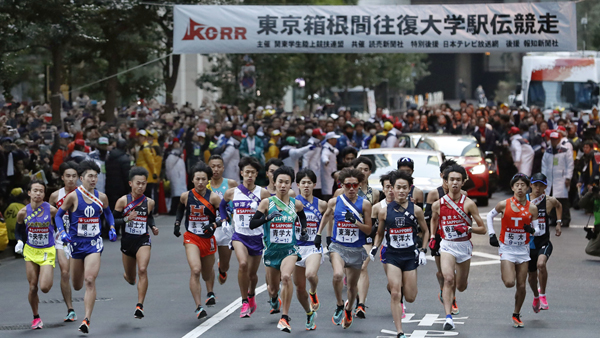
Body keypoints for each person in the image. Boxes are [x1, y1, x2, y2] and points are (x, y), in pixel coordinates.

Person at [54, 160, 118, 333]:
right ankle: (81, 309)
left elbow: (108, 213)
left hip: (93, 244)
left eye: (96, 176)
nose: (93, 179)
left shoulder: (101, 197)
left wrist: (111, 227)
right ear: (82, 178)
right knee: (76, 285)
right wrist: (62, 232)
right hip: (76, 245)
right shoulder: (73, 196)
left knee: (90, 280)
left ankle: (86, 319)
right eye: (90, 176)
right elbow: (58, 216)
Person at [250, 166, 312, 332]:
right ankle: (274, 298)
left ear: (291, 184)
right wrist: (268, 217)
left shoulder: (295, 204)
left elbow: (302, 217)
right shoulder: (266, 203)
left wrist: (304, 230)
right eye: (280, 182)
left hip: (289, 250)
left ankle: (284, 317)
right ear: (274, 183)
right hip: (271, 251)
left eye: (287, 182)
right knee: (272, 289)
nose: (283, 185)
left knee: (286, 277)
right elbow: (252, 224)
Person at [371, 171, 429, 338]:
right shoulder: (384, 211)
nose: (401, 191)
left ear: (409, 189)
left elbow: (425, 231)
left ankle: (403, 285)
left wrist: (423, 251)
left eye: (405, 188)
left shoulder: (416, 210)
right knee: (395, 293)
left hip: (410, 256)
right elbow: (380, 233)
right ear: (392, 189)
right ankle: (400, 331)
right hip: (392, 256)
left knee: (410, 296)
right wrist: (375, 247)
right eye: (398, 187)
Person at [430, 164, 487, 330]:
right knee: (448, 279)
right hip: (447, 245)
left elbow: (482, 229)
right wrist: (433, 237)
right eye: (451, 180)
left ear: (463, 182)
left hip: (464, 246)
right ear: (446, 182)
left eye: (458, 180)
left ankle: (458, 285)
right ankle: (448, 318)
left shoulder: (469, 204)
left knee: (461, 286)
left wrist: (467, 229)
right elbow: (434, 219)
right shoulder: (438, 204)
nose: (454, 183)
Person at [318, 168, 372, 329]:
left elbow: (369, 230)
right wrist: (319, 234)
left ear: (359, 185)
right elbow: (327, 215)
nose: (351, 188)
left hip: (356, 249)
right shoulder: (335, 201)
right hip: (338, 246)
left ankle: (349, 309)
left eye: (355, 185)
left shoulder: (365, 204)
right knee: (337, 275)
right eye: (347, 185)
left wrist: (355, 222)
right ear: (342, 185)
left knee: (353, 286)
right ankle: (339, 304)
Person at [487, 173, 541, 328]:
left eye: (523, 185)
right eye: (516, 185)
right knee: (510, 282)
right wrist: (492, 235)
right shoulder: (503, 204)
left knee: (522, 286)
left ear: (528, 187)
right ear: (512, 187)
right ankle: (505, 271)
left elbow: (538, 230)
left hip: (523, 250)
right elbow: (489, 217)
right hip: (507, 248)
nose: (520, 188)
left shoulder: (532, 208)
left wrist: (531, 230)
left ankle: (516, 314)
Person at [219, 157, 271, 318]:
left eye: (253, 173)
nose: (249, 175)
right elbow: (222, 204)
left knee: (252, 275)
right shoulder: (232, 192)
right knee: (242, 264)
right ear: (241, 173)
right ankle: (244, 302)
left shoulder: (263, 193)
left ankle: (251, 294)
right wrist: (224, 219)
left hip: (256, 237)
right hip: (239, 235)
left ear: (256, 175)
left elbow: (268, 214)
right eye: (247, 172)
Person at [173, 163, 222, 319]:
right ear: (192, 180)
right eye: (197, 179)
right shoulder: (186, 196)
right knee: (195, 270)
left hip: (207, 238)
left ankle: (210, 292)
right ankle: (198, 306)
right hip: (191, 237)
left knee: (207, 273)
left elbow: (224, 216)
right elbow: (180, 208)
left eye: (203, 179)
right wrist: (177, 223)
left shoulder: (214, 197)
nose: (200, 182)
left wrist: (214, 224)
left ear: (207, 180)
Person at [114, 167, 159, 319]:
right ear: (131, 184)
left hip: (143, 240)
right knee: (131, 277)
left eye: (144, 183)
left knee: (143, 269)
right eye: (138, 183)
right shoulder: (123, 201)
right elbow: (112, 221)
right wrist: (127, 219)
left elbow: (149, 217)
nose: (140, 186)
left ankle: (140, 306)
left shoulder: (149, 202)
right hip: (127, 242)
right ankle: (128, 276)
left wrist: (152, 226)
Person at [14, 179, 59, 329]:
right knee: (33, 287)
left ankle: (45, 273)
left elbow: (61, 223)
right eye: (35, 191)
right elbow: (18, 231)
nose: (38, 194)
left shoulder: (51, 210)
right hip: (31, 251)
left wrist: (62, 235)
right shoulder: (22, 212)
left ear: (44, 194)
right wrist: (19, 241)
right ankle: (36, 317)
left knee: (45, 287)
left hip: (47, 250)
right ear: (29, 193)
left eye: (41, 191)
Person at [527, 173, 562, 313]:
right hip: (529, 244)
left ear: (545, 187)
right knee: (531, 276)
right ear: (530, 185)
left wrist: (559, 223)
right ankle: (536, 295)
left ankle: (543, 295)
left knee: (541, 264)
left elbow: (559, 206)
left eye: (541, 185)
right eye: (535, 185)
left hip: (544, 241)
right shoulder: (525, 200)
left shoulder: (549, 201)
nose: (537, 188)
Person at [48, 161, 78, 322]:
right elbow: (48, 214)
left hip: (80, 239)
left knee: (77, 275)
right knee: (65, 273)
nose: (71, 179)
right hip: (61, 239)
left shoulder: (83, 193)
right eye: (68, 176)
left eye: (74, 176)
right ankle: (70, 308)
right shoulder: (55, 196)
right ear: (62, 177)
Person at [295, 169, 328, 315]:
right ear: (298, 185)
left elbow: (328, 218)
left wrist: (324, 235)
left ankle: (313, 291)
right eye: (303, 183)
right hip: (296, 248)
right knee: (299, 287)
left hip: (313, 247)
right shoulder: (292, 203)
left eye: (309, 182)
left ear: (314, 184)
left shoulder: (321, 204)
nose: (306, 186)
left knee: (310, 275)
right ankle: (308, 312)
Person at [206, 155, 238, 285]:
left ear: (223, 168)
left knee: (225, 264)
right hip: (209, 228)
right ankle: (210, 292)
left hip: (225, 228)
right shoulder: (204, 184)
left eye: (219, 166)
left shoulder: (231, 184)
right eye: (212, 166)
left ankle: (222, 269)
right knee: (207, 263)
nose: (216, 169)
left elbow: (237, 204)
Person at [541, 131, 573, 227]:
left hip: (561, 179)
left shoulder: (565, 150)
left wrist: (568, 177)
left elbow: (570, 165)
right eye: (552, 140)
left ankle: (565, 219)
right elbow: (544, 166)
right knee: (551, 199)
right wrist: (543, 178)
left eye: (555, 139)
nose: (554, 141)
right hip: (550, 179)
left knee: (562, 200)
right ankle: (553, 218)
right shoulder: (548, 151)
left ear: (559, 139)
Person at [105, 139, 131, 211]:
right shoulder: (125, 159)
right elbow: (126, 175)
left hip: (109, 185)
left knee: (111, 207)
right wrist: (129, 188)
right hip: (121, 188)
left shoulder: (109, 156)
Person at [302, 128, 326, 198]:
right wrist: (305, 170)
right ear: (317, 136)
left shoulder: (317, 143)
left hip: (317, 168)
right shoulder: (311, 144)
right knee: (313, 189)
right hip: (312, 169)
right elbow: (306, 157)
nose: (322, 137)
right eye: (321, 135)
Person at [321, 132, 340, 201]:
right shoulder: (326, 149)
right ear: (330, 140)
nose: (336, 140)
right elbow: (324, 156)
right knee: (328, 192)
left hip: (333, 174)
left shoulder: (331, 148)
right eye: (334, 139)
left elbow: (336, 151)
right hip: (328, 175)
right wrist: (325, 161)